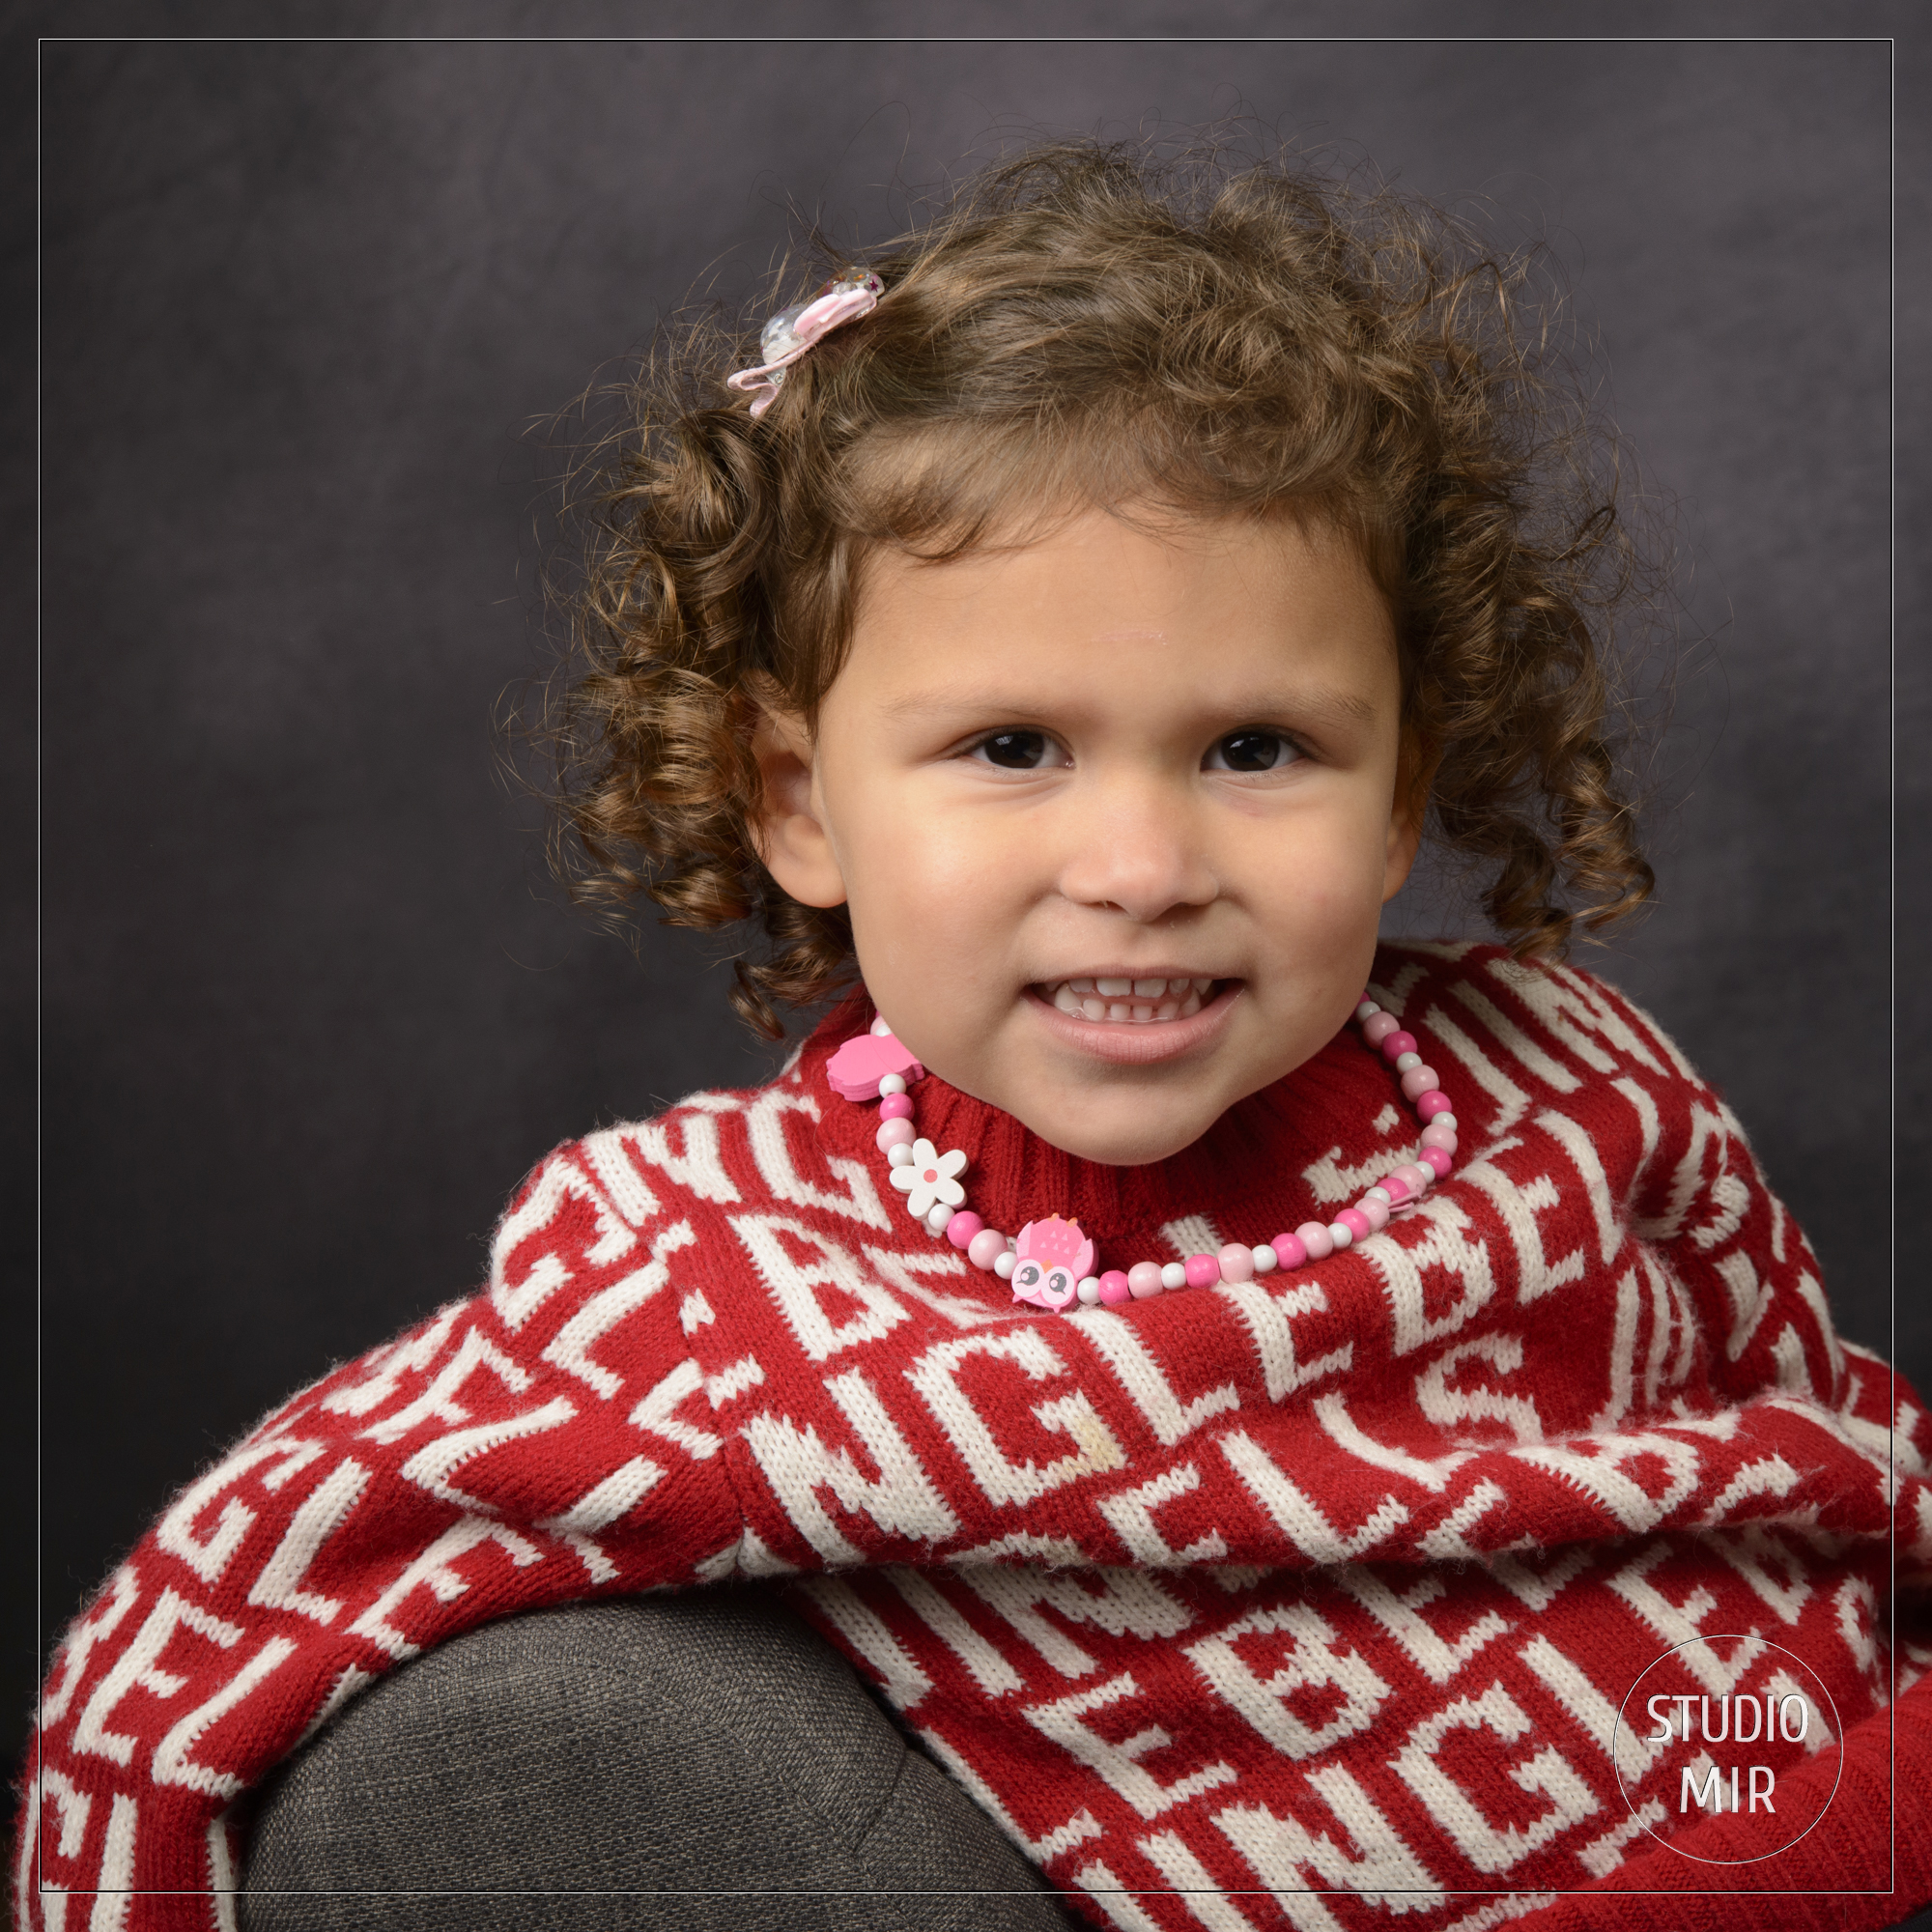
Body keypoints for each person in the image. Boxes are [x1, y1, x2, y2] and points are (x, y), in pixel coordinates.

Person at [15, 138, 1930, 1932]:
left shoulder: (1574, 1111)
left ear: (1404, 780)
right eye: (1011, 748)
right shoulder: (695, 1280)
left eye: (1255, 748)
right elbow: (242, 1612)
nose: (1138, 861)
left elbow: (1833, 1522)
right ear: (797, 800)